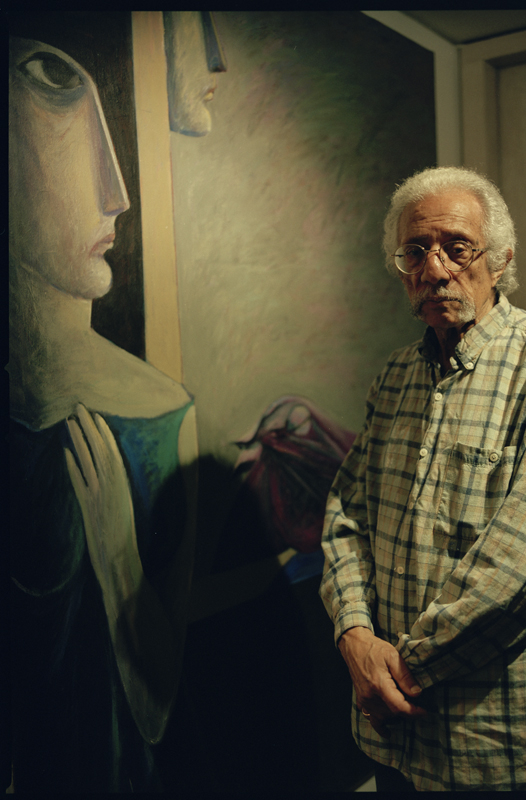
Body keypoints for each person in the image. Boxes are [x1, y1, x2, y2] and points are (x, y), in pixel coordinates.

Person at [320, 166, 526, 791]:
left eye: (457, 247)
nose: (435, 268)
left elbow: (523, 563)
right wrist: (355, 635)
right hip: (392, 735)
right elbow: (345, 519)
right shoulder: (393, 377)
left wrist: (397, 671)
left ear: (498, 260)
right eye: (416, 251)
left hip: (496, 739)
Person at [8, 32, 198, 792]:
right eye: (75, 159)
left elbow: (156, 711)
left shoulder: (158, 414)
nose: (116, 192)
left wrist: (119, 557)